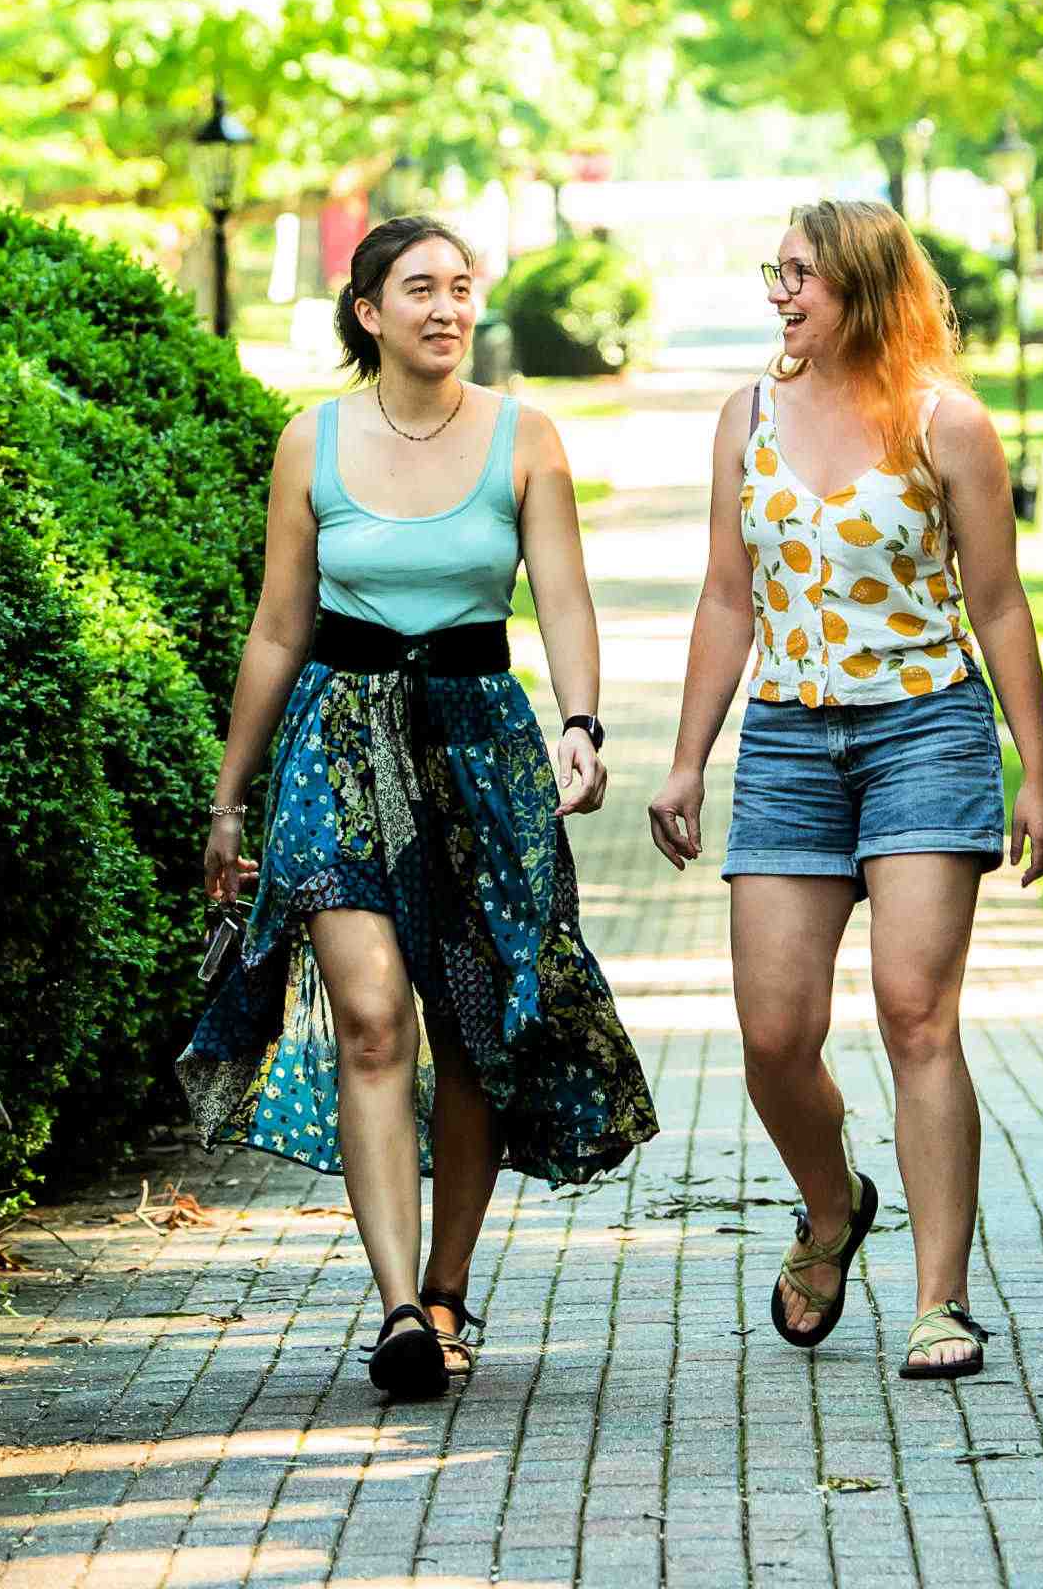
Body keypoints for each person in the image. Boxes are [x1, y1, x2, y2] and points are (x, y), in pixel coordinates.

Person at [178, 215, 659, 1403]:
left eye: (460, 288)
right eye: (419, 290)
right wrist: (230, 799)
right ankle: (397, 1307)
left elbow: (563, 602)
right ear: (368, 313)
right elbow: (280, 625)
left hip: (479, 752)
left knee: (476, 1029)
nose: (446, 309)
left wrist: (582, 727)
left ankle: (448, 1291)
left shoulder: (523, 439)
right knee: (374, 1014)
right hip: (337, 749)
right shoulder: (313, 441)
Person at [645, 198, 1043, 1382]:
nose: (781, 295)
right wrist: (687, 756)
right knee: (775, 1037)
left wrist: (1038, 769)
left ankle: (942, 1304)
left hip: (925, 731)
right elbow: (728, 599)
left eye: (803, 278)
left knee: (913, 1011)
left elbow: (998, 605)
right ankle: (832, 1209)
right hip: (786, 742)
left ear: (866, 289)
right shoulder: (748, 420)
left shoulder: (948, 424)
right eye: (775, 273)